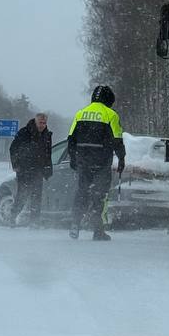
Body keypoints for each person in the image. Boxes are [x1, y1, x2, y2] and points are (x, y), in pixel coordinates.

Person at [67, 85, 125, 241]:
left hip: (83, 162)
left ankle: (75, 224)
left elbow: (71, 139)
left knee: (81, 192)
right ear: (108, 100)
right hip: (102, 162)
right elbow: (117, 140)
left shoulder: (80, 114)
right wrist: (121, 158)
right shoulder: (111, 115)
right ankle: (97, 230)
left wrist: (73, 158)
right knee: (99, 196)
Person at [8, 112, 53, 227]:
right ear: (35, 121)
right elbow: (13, 148)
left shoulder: (47, 135)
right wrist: (16, 164)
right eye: (40, 122)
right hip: (24, 169)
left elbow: (48, 153)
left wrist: (48, 168)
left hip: (38, 170)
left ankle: (34, 222)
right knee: (22, 195)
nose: (42, 125)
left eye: (44, 123)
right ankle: (12, 216)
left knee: (37, 197)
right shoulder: (24, 132)